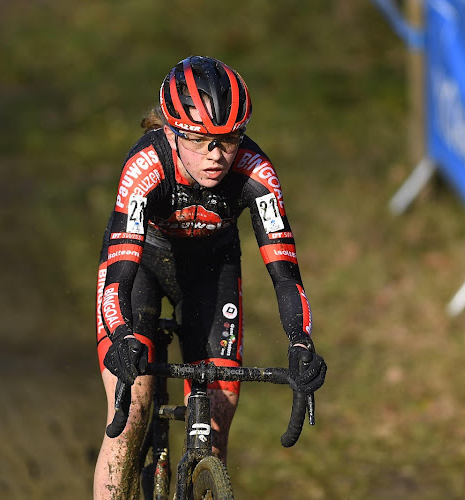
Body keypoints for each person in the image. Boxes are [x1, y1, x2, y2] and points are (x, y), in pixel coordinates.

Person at [92, 55, 327, 499]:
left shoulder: (256, 173)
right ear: (171, 130)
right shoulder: (146, 166)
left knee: (214, 426)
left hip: (212, 269)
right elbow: (120, 270)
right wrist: (121, 333)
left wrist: (300, 339)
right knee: (132, 414)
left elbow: (285, 272)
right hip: (142, 265)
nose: (216, 155)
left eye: (229, 139)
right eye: (200, 140)